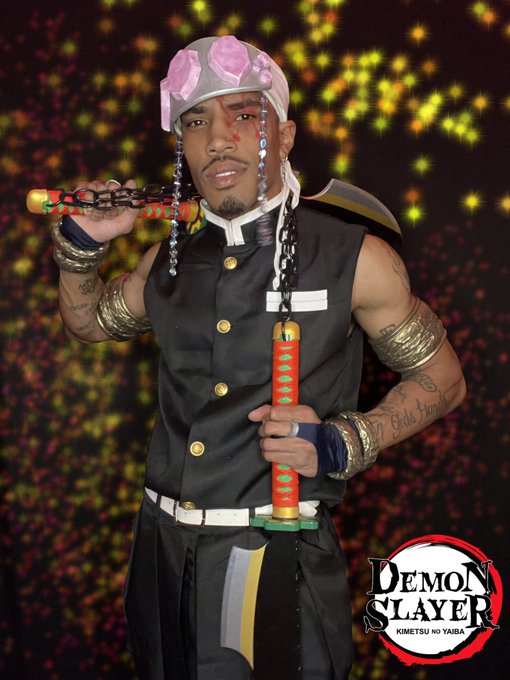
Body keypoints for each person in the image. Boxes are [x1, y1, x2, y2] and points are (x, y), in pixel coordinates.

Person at [51, 35, 466, 680]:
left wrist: (343, 442)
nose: (218, 139)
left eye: (244, 115)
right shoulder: (167, 258)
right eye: (196, 123)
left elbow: (443, 379)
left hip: (272, 555)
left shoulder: (356, 257)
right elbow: (89, 324)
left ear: (286, 133)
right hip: (160, 554)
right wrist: (83, 246)